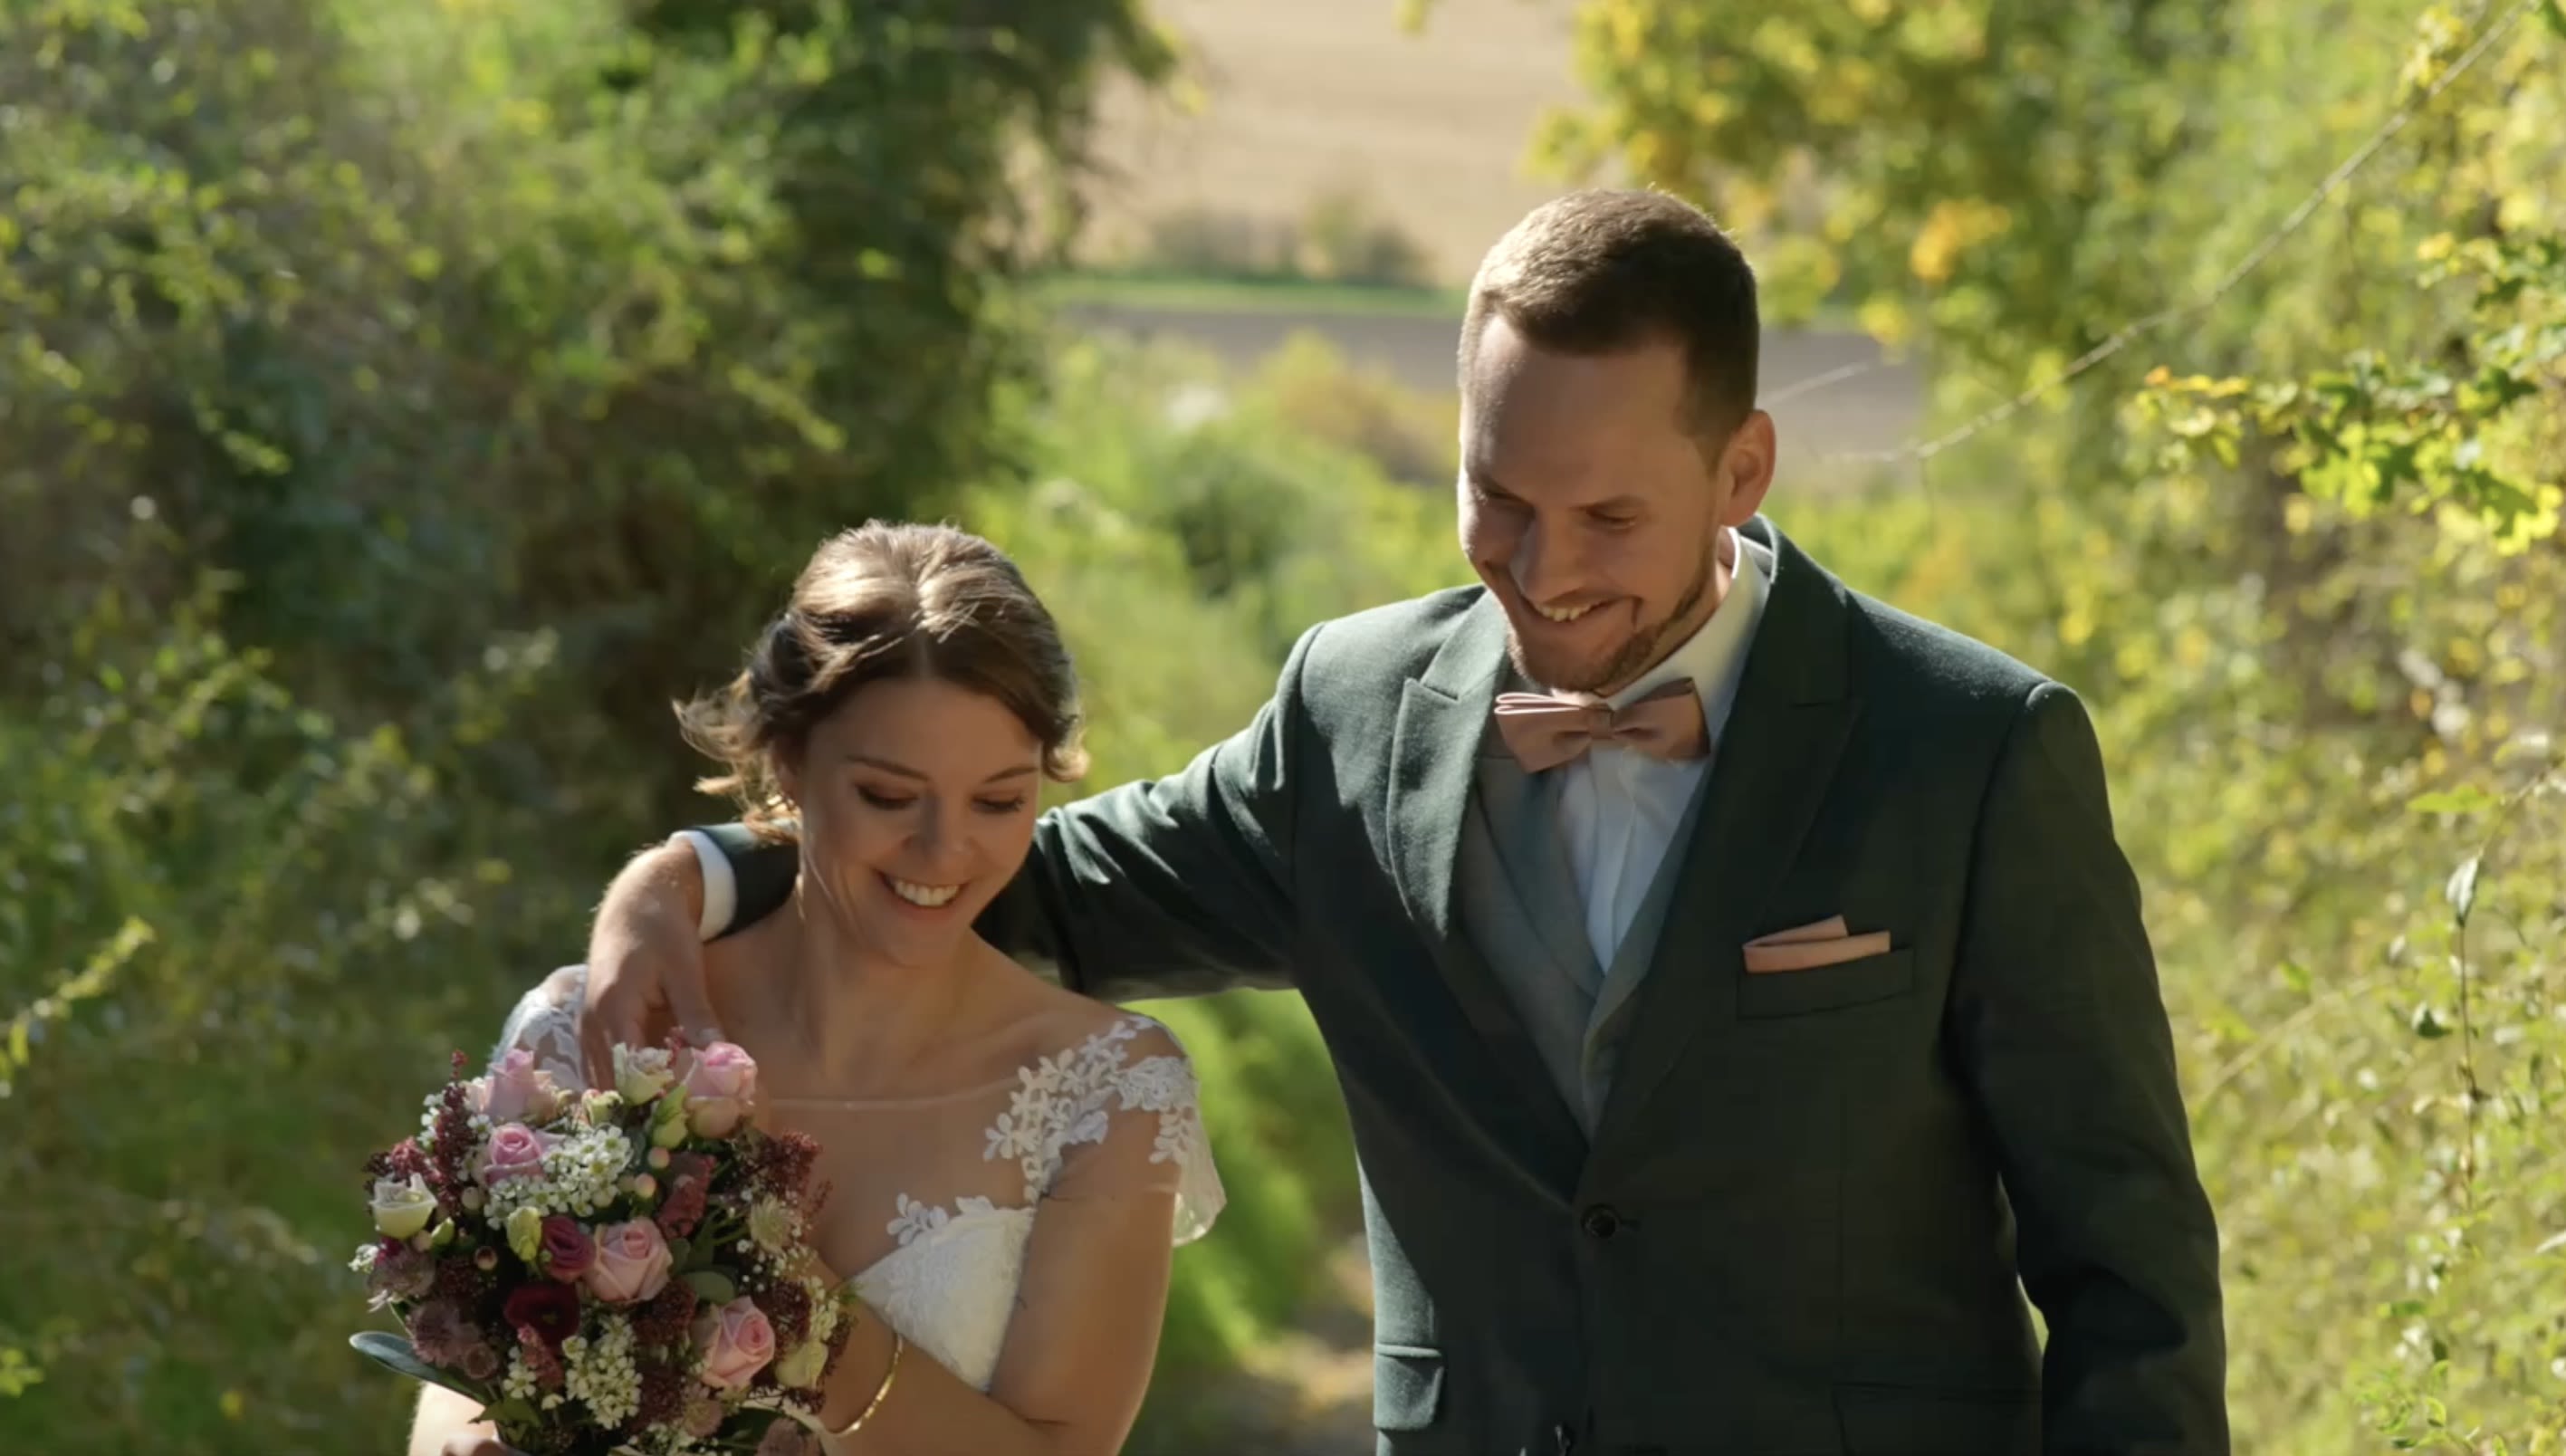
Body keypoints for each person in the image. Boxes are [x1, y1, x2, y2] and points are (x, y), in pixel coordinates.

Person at [580, 190, 2228, 1453]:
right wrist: (708, 868)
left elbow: (2123, 1257)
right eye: (1493, 497)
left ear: (1740, 470)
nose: (1542, 566)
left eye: (1604, 514)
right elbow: (1015, 877)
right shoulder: (1348, 712)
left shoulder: (1968, 751)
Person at [410, 523, 1224, 1456]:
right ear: (786, 761)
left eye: (998, 801)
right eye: (888, 796)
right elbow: (459, 1399)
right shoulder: (589, 1025)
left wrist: (783, 1307)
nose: (944, 851)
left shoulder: (1109, 1092)